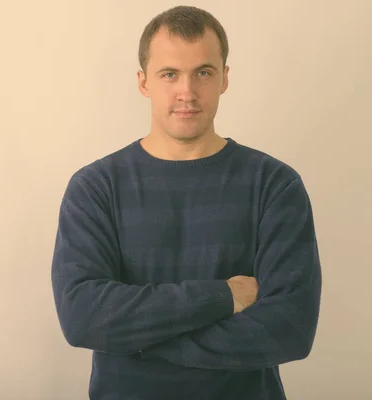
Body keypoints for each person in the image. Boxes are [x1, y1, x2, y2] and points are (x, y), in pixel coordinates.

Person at [50, 5, 322, 400]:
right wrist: (223, 296)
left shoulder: (274, 185)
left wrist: (142, 342)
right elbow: (82, 316)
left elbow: (290, 327)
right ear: (143, 82)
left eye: (204, 73)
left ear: (225, 78)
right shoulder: (96, 188)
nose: (187, 92)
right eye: (169, 74)